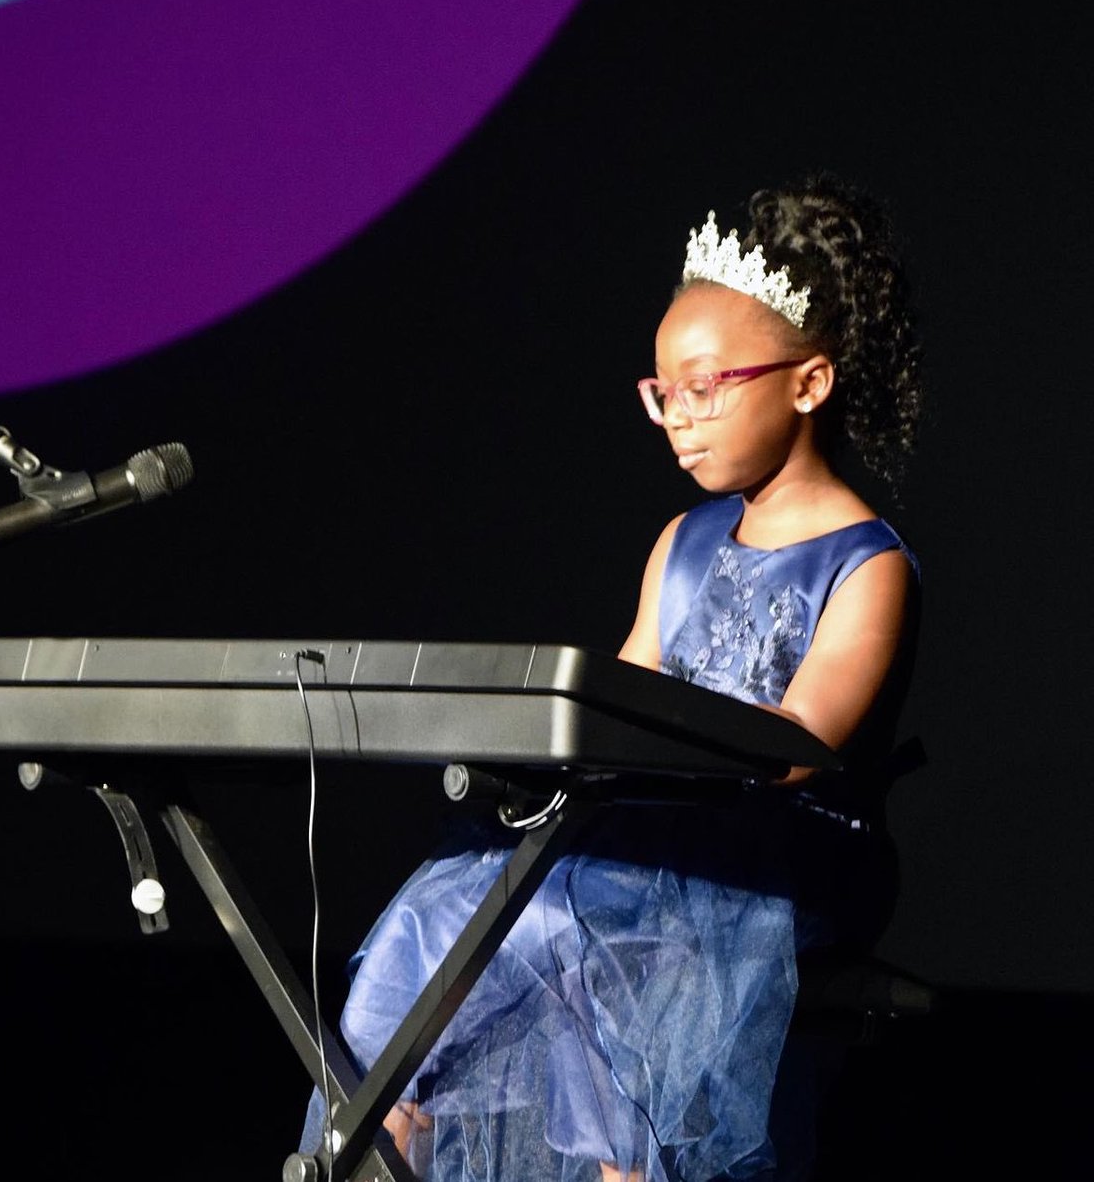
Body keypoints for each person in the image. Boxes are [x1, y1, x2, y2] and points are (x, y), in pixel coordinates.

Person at [300, 171, 923, 1181]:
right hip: (654, 836)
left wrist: (644, 758)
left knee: (577, 917)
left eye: (706, 387)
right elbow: (624, 696)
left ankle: (626, 1168)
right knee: (457, 903)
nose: (678, 416)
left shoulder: (867, 562)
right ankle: (387, 1128)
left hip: (779, 850)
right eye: (662, 393)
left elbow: (801, 748)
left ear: (809, 383)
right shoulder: (682, 540)